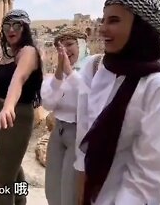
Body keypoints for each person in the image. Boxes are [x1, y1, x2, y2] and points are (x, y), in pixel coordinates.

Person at [70, 0, 160, 205]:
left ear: (141, 28)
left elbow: (147, 179)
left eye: (114, 20)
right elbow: (85, 135)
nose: (102, 28)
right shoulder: (97, 70)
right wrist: (81, 186)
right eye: (103, 20)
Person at [0, 9, 43, 205]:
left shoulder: (28, 52)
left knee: (2, 179)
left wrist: (8, 106)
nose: (11, 29)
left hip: (17, 115)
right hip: (1, 114)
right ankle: (21, 199)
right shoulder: (9, 53)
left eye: (16, 25)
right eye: (7, 25)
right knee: (14, 167)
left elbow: (19, 79)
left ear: (25, 28)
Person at [41, 27, 90, 205]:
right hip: (59, 130)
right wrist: (60, 75)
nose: (65, 51)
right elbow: (47, 102)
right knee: (52, 186)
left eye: (69, 44)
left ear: (82, 45)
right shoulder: (56, 72)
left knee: (70, 189)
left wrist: (70, 73)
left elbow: (88, 101)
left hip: (79, 133)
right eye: (60, 47)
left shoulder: (94, 67)